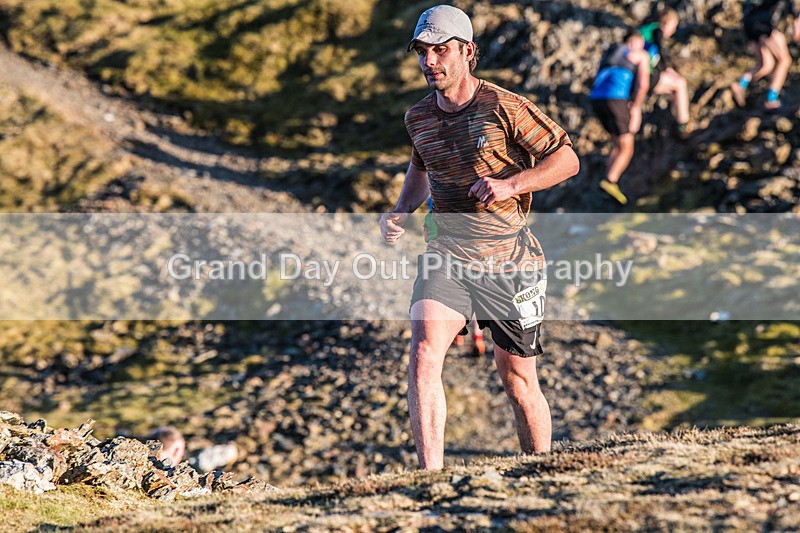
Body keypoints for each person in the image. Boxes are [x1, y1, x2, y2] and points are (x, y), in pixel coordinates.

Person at [379, 5, 579, 470]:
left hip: (510, 261)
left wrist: (511, 185)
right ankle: (430, 479)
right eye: (422, 52)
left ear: (467, 51)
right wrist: (402, 209)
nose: (430, 61)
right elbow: (422, 165)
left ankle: (540, 473)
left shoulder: (504, 107)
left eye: (440, 50)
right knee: (424, 352)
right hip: (447, 256)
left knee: (517, 380)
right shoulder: (418, 117)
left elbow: (567, 160)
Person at [589, 29, 650, 204]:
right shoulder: (639, 54)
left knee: (617, 143)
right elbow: (643, 84)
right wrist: (635, 107)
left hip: (596, 99)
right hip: (616, 98)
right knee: (627, 146)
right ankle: (610, 181)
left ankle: (606, 180)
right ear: (635, 41)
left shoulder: (612, 51)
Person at [730, 0, 800, 109]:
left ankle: (740, 84)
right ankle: (771, 99)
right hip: (765, 24)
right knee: (785, 60)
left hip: (749, 24)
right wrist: (796, 22)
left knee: (766, 65)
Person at [639, 9, 691, 134]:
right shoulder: (656, 30)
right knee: (680, 83)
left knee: (672, 88)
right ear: (667, 23)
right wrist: (668, 68)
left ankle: (675, 119)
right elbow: (661, 51)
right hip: (645, 76)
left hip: (638, 76)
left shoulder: (644, 30)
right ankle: (683, 125)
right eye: (674, 26)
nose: (673, 31)